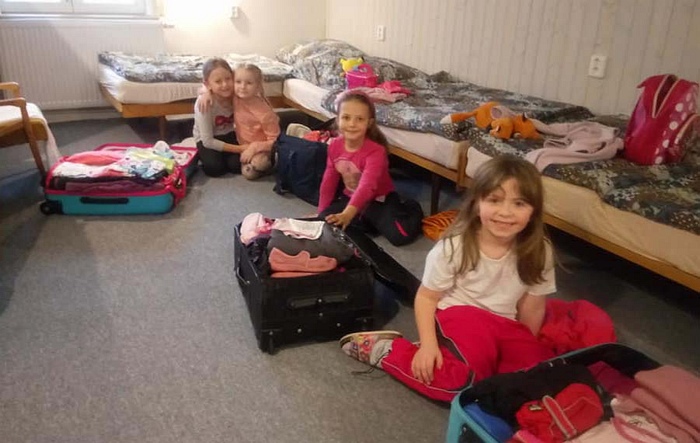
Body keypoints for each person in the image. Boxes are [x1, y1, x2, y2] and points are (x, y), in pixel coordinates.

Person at [339, 155, 558, 402]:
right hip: (458, 316)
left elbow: (533, 305)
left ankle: (464, 358)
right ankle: (387, 350)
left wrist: (524, 349)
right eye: (494, 200)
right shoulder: (455, 246)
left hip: (502, 324)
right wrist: (429, 345)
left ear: (534, 210)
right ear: (477, 203)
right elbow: (426, 297)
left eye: (519, 203)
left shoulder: (540, 250)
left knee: (537, 381)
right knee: (461, 384)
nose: (506, 213)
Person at [317, 90, 423, 246]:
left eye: (359, 119)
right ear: (338, 119)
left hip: (379, 200)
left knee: (400, 236)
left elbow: (367, 186)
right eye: (346, 118)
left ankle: (410, 206)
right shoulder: (334, 145)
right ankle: (366, 220)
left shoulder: (376, 151)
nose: (352, 124)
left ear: (369, 123)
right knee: (325, 222)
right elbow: (329, 181)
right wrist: (320, 214)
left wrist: (347, 214)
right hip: (351, 197)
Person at [197, 62, 280, 180]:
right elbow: (210, 85)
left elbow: (276, 140)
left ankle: (272, 159)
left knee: (247, 171)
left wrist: (254, 148)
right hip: (236, 143)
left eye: (249, 83)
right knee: (216, 168)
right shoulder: (235, 97)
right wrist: (206, 92)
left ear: (258, 86)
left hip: (261, 146)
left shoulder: (264, 112)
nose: (242, 87)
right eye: (238, 82)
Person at [193, 57, 243, 177]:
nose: (225, 85)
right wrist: (240, 149)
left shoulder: (236, 95)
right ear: (208, 84)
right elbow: (208, 141)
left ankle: (224, 157)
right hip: (207, 138)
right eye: (218, 81)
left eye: (228, 79)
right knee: (215, 168)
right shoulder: (204, 103)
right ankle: (199, 153)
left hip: (229, 133)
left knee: (237, 166)